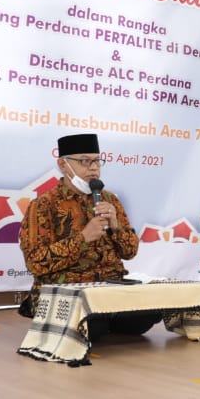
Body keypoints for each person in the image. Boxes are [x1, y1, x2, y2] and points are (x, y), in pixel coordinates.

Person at [18, 133, 160, 337]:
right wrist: (82, 238)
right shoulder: (43, 205)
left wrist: (116, 226)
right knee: (94, 327)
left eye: (97, 161)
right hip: (66, 289)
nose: (93, 168)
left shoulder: (110, 200)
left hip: (110, 287)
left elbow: (130, 252)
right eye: (85, 161)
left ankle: (107, 318)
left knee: (147, 315)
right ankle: (100, 321)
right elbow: (35, 263)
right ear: (63, 164)